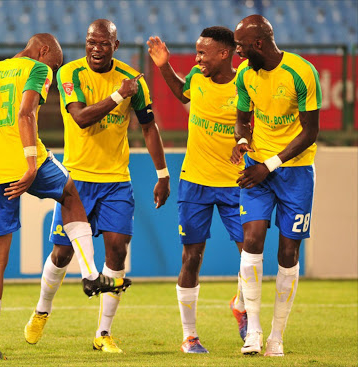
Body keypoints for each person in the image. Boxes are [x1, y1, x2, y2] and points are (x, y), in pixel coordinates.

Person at [0, 33, 131, 361]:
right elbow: (25, 114)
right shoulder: (38, 70)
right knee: (72, 193)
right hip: (30, 162)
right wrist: (27, 164)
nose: (53, 71)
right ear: (43, 51)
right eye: (54, 63)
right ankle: (89, 273)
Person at [24, 19, 170, 354]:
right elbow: (80, 117)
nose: (96, 48)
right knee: (61, 254)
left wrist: (162, 174)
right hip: (75, 181)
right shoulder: (69, 74)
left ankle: (103, 333)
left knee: (118, 250)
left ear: (115, 46)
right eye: (91, 41)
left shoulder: (133, 81)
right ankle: (42, 310)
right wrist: (120, 94)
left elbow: (149, 127)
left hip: (116, 180)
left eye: (104, 43)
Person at [147, 27, 247, 354]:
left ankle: (242, 304)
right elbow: (182, 92)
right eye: (196, 52)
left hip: (235, 182)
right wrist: (163, 65)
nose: (198, 58)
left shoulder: (245, 81)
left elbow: (255, 119)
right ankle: (190, 337)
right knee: (192, 257)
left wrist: (246, 142)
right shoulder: (196, 77)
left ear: (224, 53)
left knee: (250, 256)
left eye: (203, 53)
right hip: (196, 181)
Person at [231, 15, 321, 356]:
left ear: (258, 44)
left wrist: (270, 165)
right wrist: (242, 139)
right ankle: (253, 330)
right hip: (257, 169)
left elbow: (310, 132)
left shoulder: (302, 72)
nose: (236, 52)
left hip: (295, 172)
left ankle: (276, 337)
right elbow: (243, 116)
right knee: (252, 240)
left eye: (240, 46)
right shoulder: (244, 75)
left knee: (288, 252)